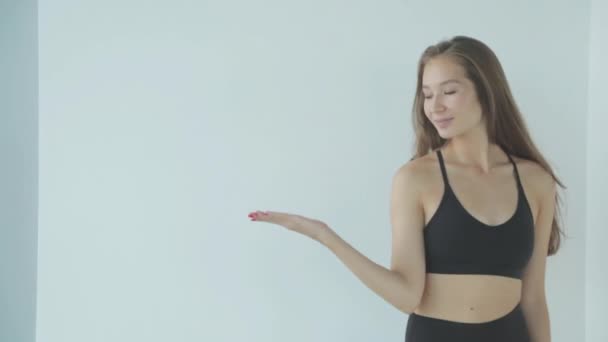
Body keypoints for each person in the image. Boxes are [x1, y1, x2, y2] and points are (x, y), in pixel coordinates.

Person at [248, 35, 565, 342]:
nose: (435, 106)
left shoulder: (536, 181)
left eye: (449, 91)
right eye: (427, 95)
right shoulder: (416, 179)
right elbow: (405, 296)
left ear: (486, 92)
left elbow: (534, 297)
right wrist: (324, 235)